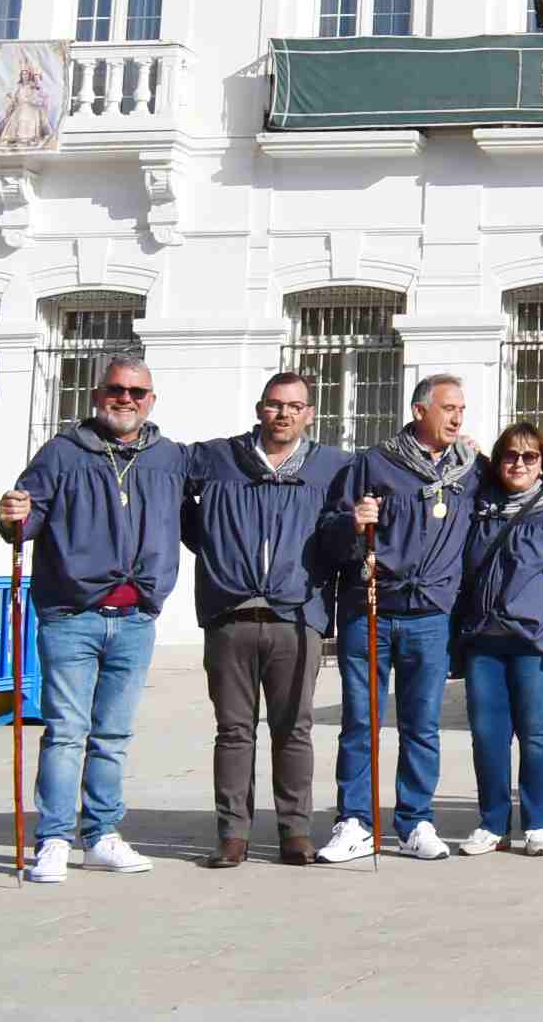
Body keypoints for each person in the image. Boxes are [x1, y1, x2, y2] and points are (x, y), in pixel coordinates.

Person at [0, 355, 187, 884]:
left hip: (135, 617)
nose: (126, 399)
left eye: (137, 393)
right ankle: (53, 839)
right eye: (117, 390)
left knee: (114, 734)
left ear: (151, 401)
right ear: (98, 394)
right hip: (70, 615)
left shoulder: (169, 457)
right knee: (65, 732)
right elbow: (25, 520)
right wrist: (12, 516)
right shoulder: (60, 453)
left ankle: (101, 834)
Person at [182, 369, 347, 867]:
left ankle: (295, 831)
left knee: (293, 729)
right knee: (233, 730)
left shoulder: (332, 468)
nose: (284, 414)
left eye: (296, 406)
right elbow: (166, 490)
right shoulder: (216, 459)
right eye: (276, 404)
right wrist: (219, 558)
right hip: (229, 615)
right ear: (259, 408)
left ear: (310, 414)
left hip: (297, 618)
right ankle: (232, 833)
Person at [316, 372, 481, 862]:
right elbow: (328, 531)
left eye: (461, 410)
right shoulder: (374, 463)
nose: (456, 417)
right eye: (448, 408)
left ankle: (414, 821)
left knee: (422, 723)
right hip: (370, 608)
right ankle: (356, 821)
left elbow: (521, 482)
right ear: (419, 410)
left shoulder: (470, 468)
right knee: (361, 719)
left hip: (430, 614)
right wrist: (353, 524)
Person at [452, 421, 543, 856]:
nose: (518, 464)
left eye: (530, 457)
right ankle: (492, 823)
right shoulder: (481, 507)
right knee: (488, 735)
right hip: (484, 642)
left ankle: (537, 825)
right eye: (510, 455)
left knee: (537, 734)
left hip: (537, 641)